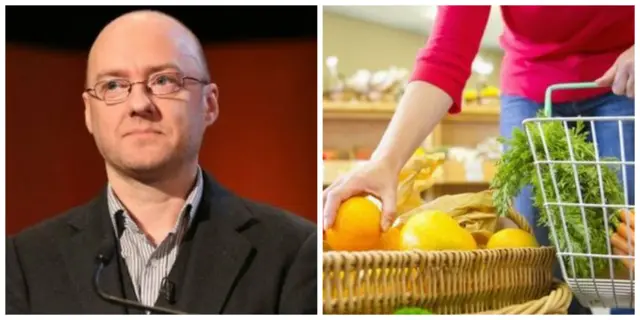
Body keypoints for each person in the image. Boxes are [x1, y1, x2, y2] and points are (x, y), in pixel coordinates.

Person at [322, 6, 633, 315]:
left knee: (629, 243)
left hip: (625, 76)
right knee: (536, 261)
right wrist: (384, 162)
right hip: (531, 82)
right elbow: (446, 51)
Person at [6, 10, 317, 315]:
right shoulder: (23, 262)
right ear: (89, 112)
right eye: (113, 85)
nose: (139, 104)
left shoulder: (293, 251)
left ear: (209, 104)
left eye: (164, 80)